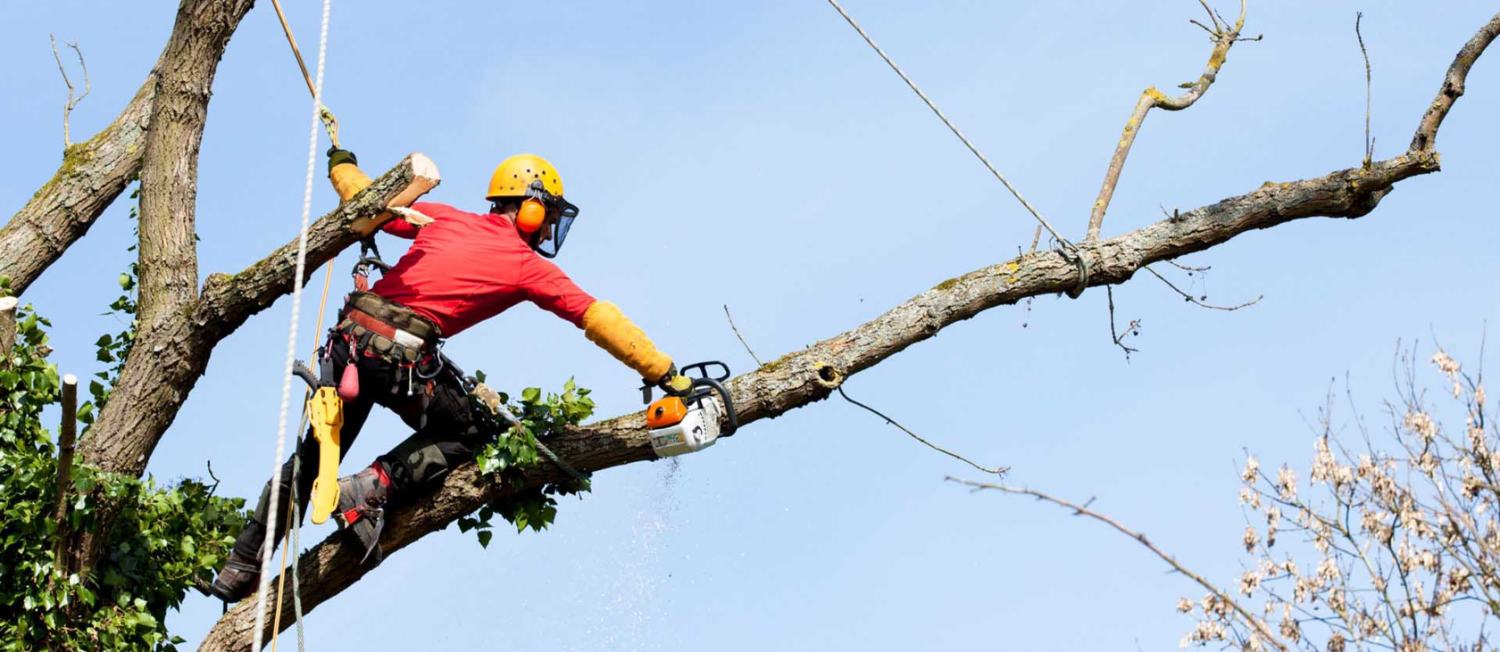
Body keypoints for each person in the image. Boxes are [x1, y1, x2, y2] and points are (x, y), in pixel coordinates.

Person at [204, 151, 694, 601]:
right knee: (469, 433)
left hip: (349, 346)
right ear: (531, 208)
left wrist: (342, 164)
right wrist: (665, 372)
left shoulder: (444, 217)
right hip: (398, 359)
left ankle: (240, 565)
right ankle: (368, 488)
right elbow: (598, 318)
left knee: (312, 460)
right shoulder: (526, 266)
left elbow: (364, 194)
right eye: (547, 219)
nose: (546, 233)